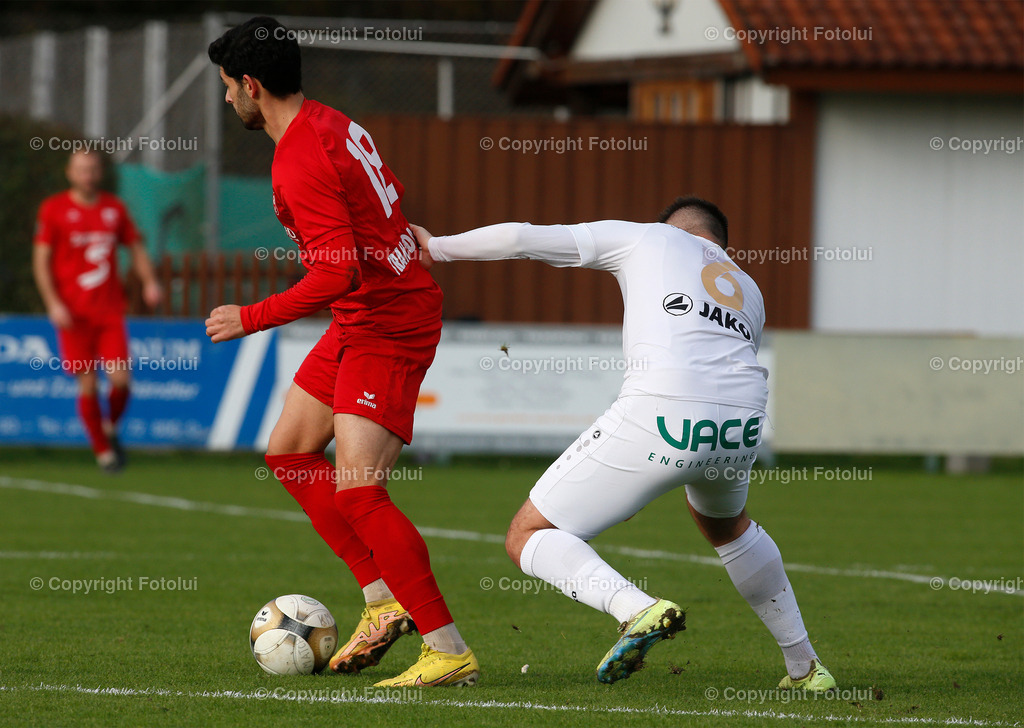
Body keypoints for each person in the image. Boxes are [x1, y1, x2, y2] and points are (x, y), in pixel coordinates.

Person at [413, 197, 835, 691]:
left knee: (527, 535)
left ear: (671, 227)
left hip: (665, 409)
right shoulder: (748, 286)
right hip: (744, 422)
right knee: (729, 528)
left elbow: (521, 237)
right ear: (721, 243)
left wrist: (436, 248)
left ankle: (637, 610)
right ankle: (806, 668)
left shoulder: (649, 237)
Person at [203, 17, 477, 687]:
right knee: (291, 452)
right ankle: (383, 604)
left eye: (226, 88)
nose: (225, 101)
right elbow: (383, 203)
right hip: (363, 316)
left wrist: (251, 317)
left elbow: (336, 274)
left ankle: (448, 649)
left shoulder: (299, 157)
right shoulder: (331, 122)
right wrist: (396, 232)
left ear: (251, 84)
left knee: (360, 491)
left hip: (388, 321)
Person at [33, 150, 162, 473]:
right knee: (87, 384)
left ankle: (110, 427)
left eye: (92, 169)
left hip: (109, 312)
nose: (87, 175)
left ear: (99, 173)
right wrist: (53, 303)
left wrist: (149, 281)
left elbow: (135, 246)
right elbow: (41, 261)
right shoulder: (54, 209)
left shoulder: (113, 209)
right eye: (81, 169)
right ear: (69, 172)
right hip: (73, 314)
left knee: (121, 381)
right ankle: (103, 451)